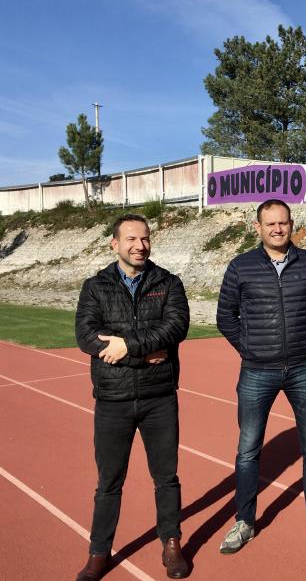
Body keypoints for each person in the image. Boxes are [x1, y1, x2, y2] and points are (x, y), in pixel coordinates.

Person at [74, 214, 190, 580]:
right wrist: (141, 352)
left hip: (159, 397)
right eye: (131, 239)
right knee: (109, 481)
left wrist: (127, 345)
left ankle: (171, 544)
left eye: (145, 238)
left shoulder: (168, 282)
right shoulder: (95, 287)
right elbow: (86, 336)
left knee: (166, 477)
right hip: (113, 399)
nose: (140, 245)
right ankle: (98, 552)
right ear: (114, 244)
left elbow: (175, 327)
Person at [216, 199, 306, 552]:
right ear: (258, 227)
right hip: (256, 371)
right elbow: (226, 317)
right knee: (248, 449)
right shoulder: (240, 267)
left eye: (283, 223)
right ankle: (244, 520)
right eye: (270, 224)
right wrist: (251, 348)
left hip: (304, 368)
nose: (277, 229)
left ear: (291, 224)